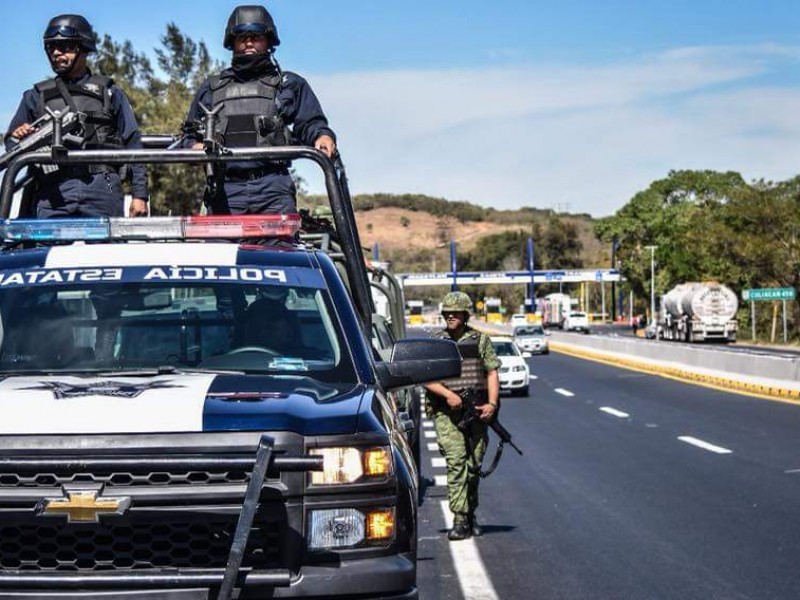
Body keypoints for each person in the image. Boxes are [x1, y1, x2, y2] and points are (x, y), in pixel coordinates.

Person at [183, 5, 337, 215]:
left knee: (279, 249)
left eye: (256, 37)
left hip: (273, 189)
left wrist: (322, 137)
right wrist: (195, 145)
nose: (248, 43)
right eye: (242, 37)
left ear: (268, 41)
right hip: (226, 190)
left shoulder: (288, 84)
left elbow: (311, 123)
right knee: (221, 249)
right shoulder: (212, 88)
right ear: (232, 42)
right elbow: (189, 135)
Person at [4, 14, 148, 218]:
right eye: (50, 48)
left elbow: (133, 143)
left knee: (107, 250)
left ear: (83, 47)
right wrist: (19, 136)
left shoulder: (110, 93)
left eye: (64, 47)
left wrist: (140, 194)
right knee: (44, 251)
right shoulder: (36, 96)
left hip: (101, 185)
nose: (55, 53)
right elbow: (11, 145)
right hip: (52, 191)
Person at [424, 292, 501, 541]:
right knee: (456, 463)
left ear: (466, 315)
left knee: (473, 466)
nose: (450, 316)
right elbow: (426, 377)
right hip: (446, 413)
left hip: (476, 412)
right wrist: (447, 395)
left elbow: (491, 373)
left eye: (455, 312)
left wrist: (491, 404)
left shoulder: (480, 341)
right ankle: (459, 519)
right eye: (447, 312)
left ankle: (470, 514)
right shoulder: (437, 342)